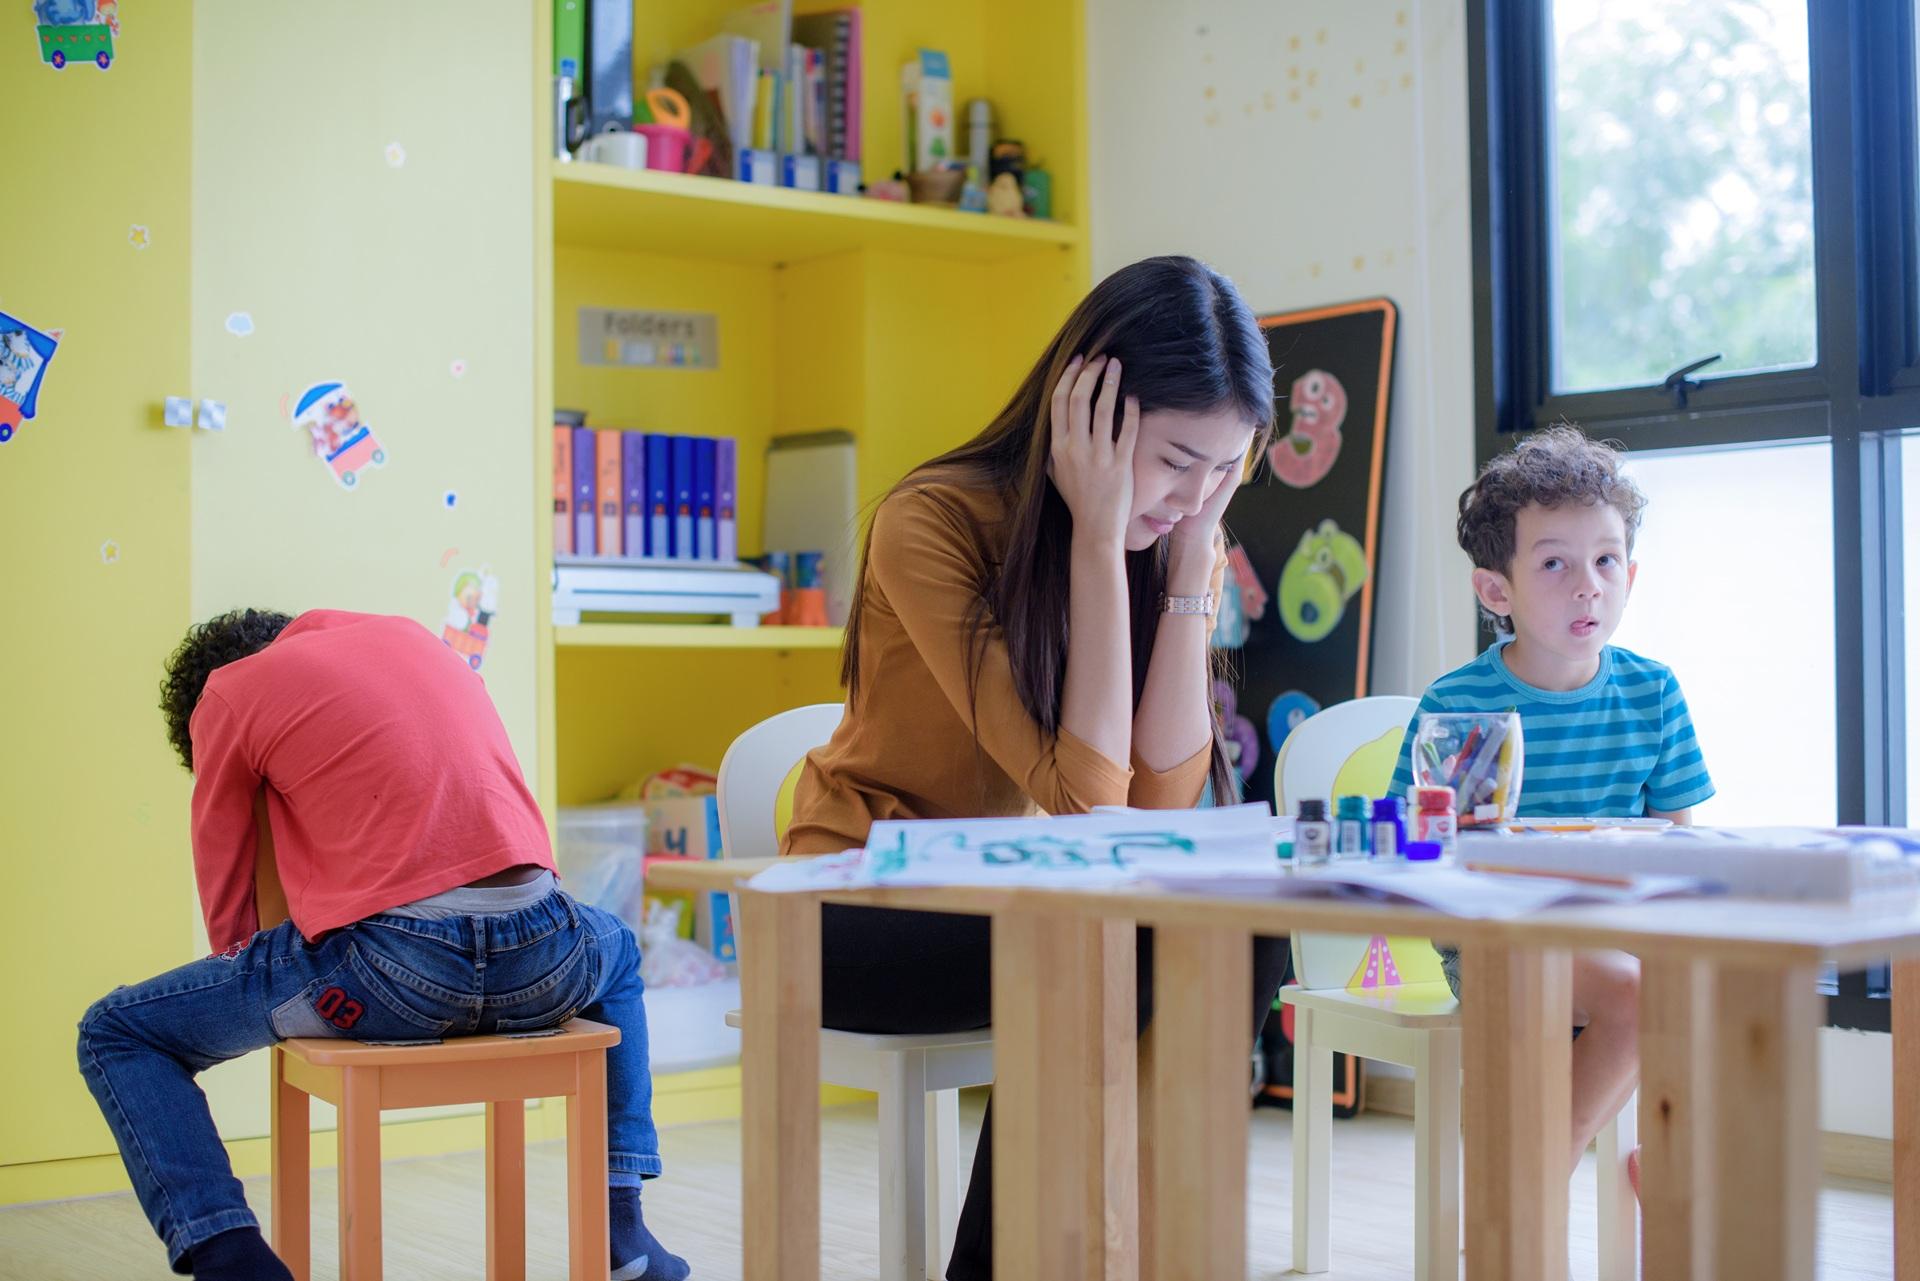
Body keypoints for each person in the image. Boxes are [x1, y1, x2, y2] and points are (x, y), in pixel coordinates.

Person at [782, 255, 1292, 1280]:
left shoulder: (1170, 538)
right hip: (858, 907)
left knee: (1239, 934)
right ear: (1089, 413)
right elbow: (1086, 809)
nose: (1194, 498)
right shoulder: (926, 522)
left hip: (1035, 908)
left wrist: (1189, 568)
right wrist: (1101, 541)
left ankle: (1139, 1255)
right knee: (1088, 944)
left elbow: (1160, 806)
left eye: (1222, 473)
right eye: (1175, 460)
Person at [76, 608, 690, 1281]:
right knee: (622, 949)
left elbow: (225, 866)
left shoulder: (229, 690)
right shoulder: (415, 640)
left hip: (391, 968)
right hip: (547, 950)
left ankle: (232, 1260)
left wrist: (248, 968)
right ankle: (621, 1223)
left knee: (116, 1031)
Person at [1389, 423, 1715, 1189]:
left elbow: (1677, 849)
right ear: (1496, 590)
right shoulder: (1458, 704)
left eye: (1605, 561)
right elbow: (1426, 853)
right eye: (1556, 563)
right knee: (1641, 991)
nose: (1588, 584)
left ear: (1630, 573)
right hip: (1499, 937)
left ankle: (1668, 1169)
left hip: (1617, 930)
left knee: (1723, 978)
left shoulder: (1653, 691)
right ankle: (1538, 1172)